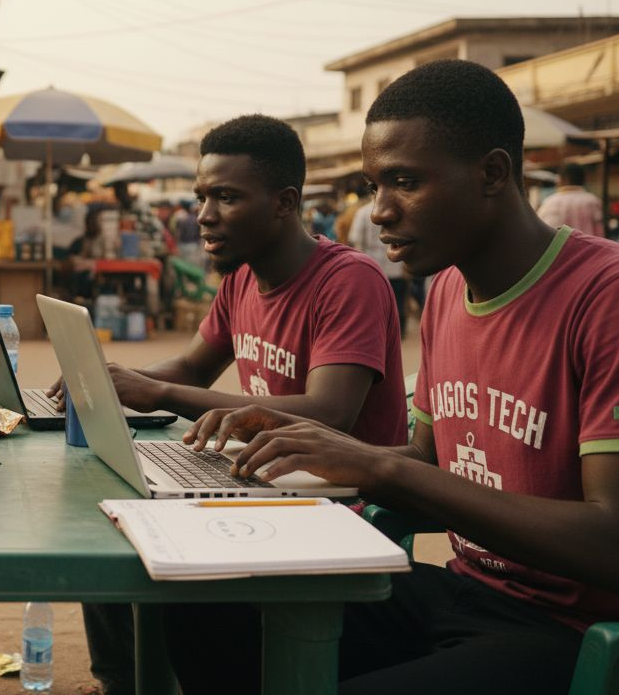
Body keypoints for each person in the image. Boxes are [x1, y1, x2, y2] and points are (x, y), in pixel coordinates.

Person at [166, 60, 619, 695]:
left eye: (405, 182)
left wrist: (378, 466)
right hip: (467, 595)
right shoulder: (446, 289)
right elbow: (424, 458)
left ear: (493, 173)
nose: (380, 212)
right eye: (373, 186)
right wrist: (312, 452)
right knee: (198, 601)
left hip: (584, 640)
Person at [64, 115, 407, 695]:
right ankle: (122, 684)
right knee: (106, 526)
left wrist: (164, 392)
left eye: (226, 197)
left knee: (177, 580)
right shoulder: (241, 279)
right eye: (202, 197)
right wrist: (111, 379)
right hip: (259, 481)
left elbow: (331, 412)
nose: (204, 215)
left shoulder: (349, 281)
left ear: (284, 202)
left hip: (335, 504)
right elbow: (192, 368)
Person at [349, 196, 410, 336]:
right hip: (396, 266)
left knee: (375, 304)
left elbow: (357, 241)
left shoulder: (363, 212)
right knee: (397, 301)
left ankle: (381, 333)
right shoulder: (397, 211)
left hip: (372, 269)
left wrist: (359, 269)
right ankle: (399, 332)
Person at [537, 162, 604, 236]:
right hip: (589, 247)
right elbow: (600, 234)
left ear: (564, 179)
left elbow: (542, 233)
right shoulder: (593, 201)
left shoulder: (549, 202)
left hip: (561, 247)